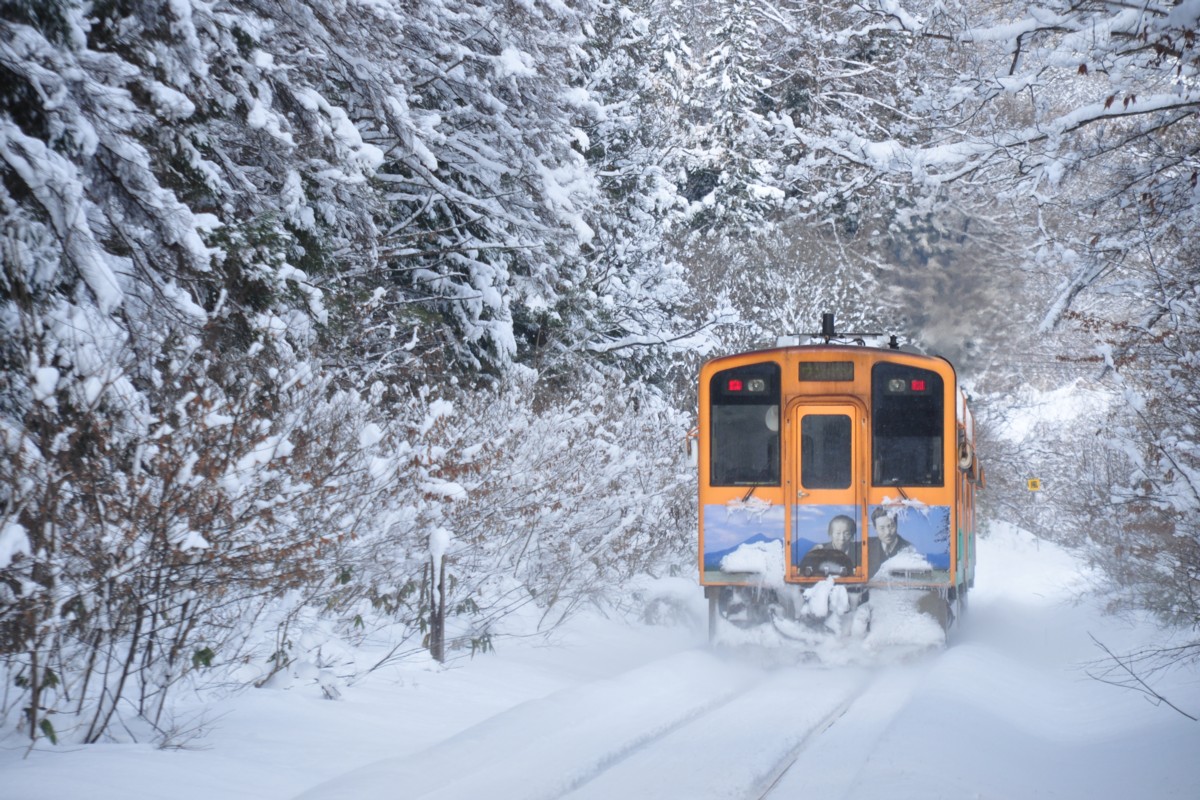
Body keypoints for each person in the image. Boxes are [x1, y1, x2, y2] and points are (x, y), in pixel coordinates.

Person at [867, 506, 913, 577]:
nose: (887, 532)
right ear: (875, 528)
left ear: (897, 525)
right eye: (882, 528)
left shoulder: (910, 549)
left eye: (891, 526)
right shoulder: (866, 546)